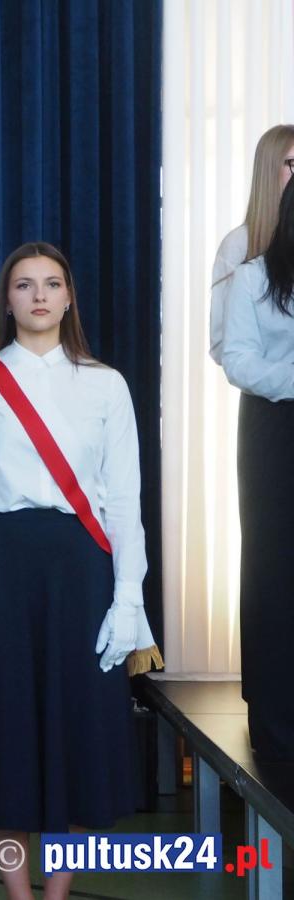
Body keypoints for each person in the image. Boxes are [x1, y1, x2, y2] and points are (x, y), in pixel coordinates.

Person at [0, 242, 152, 899]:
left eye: (51, 284)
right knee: (3, 750)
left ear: (68, 297)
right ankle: (19, 894)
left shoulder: (106, 384)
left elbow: (125, 502)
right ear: (7, 299)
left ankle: (56, 895)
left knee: (75, 745)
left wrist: (128, 597)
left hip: (81, 573)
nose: (38, 295)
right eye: (25, 284)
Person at [223, 177, 294, 761]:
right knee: (274, 569)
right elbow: (239, 361)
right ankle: (275, 724)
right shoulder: (253, 277)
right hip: (275, 432)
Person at [210, 124, 294, 365]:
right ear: (269, 170)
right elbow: (221, 345)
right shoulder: (237, 245)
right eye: (293, 164)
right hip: (264, 388)